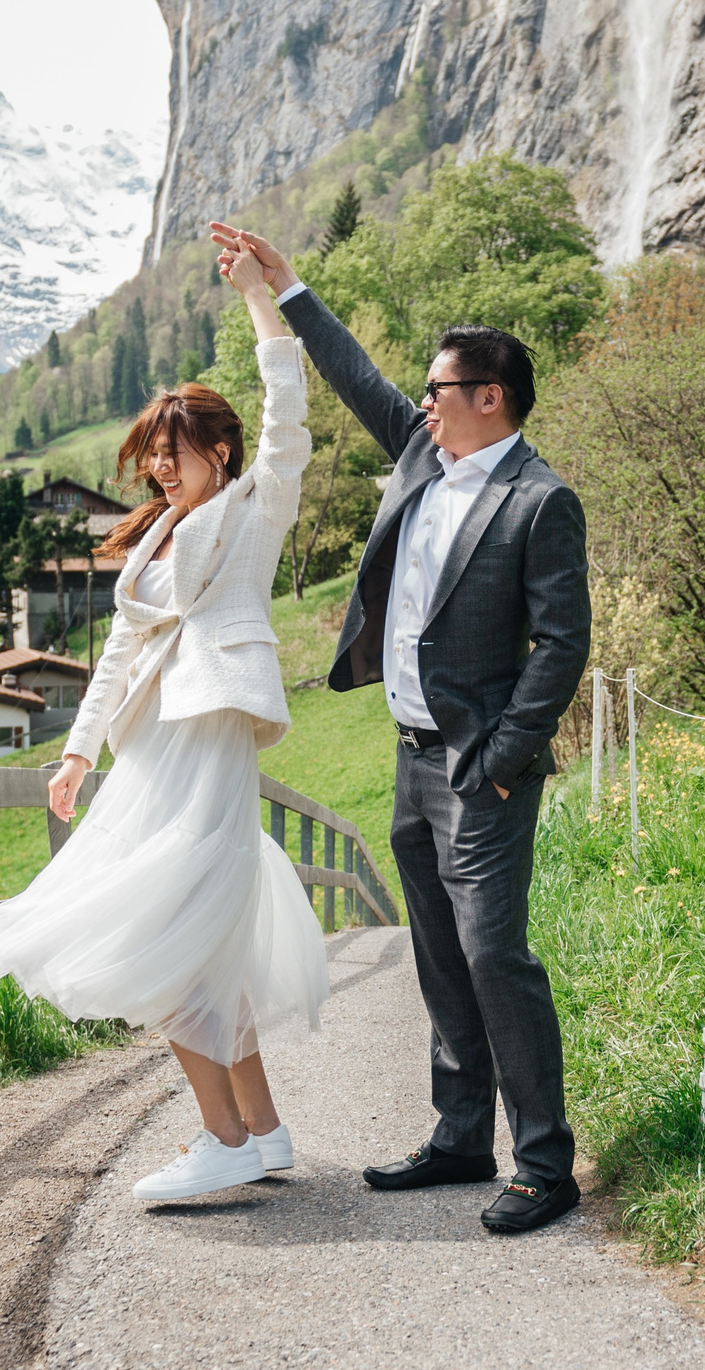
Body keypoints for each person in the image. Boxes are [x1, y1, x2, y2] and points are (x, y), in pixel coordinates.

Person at [209, 222, 591, 1236]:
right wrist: (286, 288)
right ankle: (462, 1136)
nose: (421, 400)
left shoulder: (540, 500)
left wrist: (505, 760)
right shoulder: (424, 453)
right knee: (438, 953)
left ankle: (544, 1162)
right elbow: (356, 378)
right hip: (411, 758)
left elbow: (561, 646)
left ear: (489, 398)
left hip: (483, 769)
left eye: (440, 387)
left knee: (494, 953)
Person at [0, 241, 326, 1204]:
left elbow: (290, 419)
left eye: (175, 452)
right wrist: (77, 752)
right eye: (152, 457)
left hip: (209, 733)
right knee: (196, 935)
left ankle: (221, 1140)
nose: (161, 470)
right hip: (150, 747)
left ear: (222, 453)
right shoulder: (152, 535)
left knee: (161, 928)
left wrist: (260, 301)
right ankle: (265, 1134)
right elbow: (120, 653)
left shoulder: (254, 505)